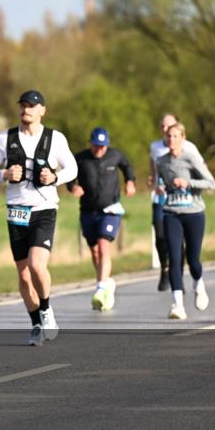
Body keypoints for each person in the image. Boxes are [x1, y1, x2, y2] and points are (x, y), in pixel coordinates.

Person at [0, 89, 78, 345]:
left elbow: (72, 167)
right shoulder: (5, 138)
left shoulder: (55, 139)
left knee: (37, 265)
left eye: (32, 106)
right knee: (24, 274)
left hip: (44, 209)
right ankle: (35, 322)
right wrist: (3, 174)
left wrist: (55, 178)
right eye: (23, 105)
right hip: (16, 210)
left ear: (42, 110)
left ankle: (46, 309)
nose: (27, 110)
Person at [68, 127, 136, 311]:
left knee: (104, 245)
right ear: (90, 143)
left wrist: (130, 181)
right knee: (95, 251)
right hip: (88, 211)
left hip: (110, 210)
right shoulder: (80, 158)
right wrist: (73, 187)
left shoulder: (115, 155)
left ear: (107, 145)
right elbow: (69, 175)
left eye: (103, 146)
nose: (99, 149)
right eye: (96, 146)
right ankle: (105, 283)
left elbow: (127, 166)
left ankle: (100, 288)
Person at [154, 122, 215, 320]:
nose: (171, 140)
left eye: (175, 136)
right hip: (171, 212)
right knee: (174, 257)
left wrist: (188, 183)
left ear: (183, 138)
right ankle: (177, 304)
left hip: (194, 213)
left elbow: (210, 182)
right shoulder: (161, 161)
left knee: (193, 259)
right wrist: (161, 188)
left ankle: (198, 283)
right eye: (168, 136)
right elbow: (161, 182)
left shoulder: (191, 158)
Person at [148, 114, 199, 291]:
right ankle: (165, 268)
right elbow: (153, 164)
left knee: (178, 241)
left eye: (168, 127)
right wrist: (153, 179)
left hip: (183, 201)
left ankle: (177, 274)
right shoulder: (155, 146)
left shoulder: (189, 147)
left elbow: (200, 169)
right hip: (160, 198)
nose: (165, 130)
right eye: (162, 127)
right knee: (161, 236)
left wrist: (191, 185)